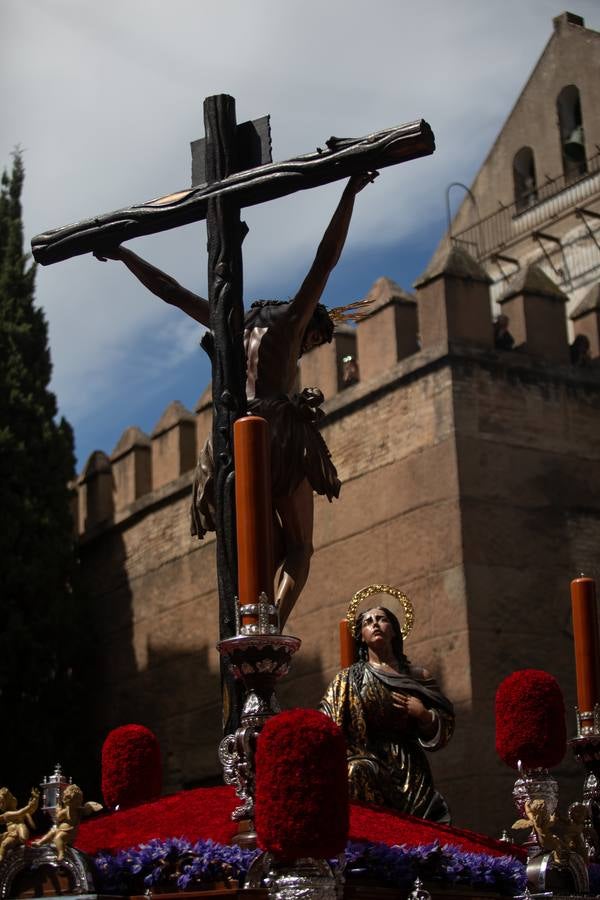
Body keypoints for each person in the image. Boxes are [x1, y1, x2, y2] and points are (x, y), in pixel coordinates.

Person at [95, 173, 376, 628]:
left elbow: (171, 292)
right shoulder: (291, 323)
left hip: (229, 439)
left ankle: (251, 618)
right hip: (277, 433)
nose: (308, 350)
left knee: (261, 545)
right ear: (310, 329)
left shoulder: (232, 321)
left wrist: (125, 254)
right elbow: (324, 263)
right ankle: (270, 628)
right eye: (315, 342)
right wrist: (348, 194)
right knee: (301, 547)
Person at [320, 606, 454, 822]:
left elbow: (445, 720)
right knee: (355, 771)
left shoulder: (416, 675)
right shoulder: (348, 679)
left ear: (393, 630)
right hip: (368, 759)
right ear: (361, 637)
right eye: (367, 622)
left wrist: (424, 715)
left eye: (381, 619)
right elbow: (326, 720)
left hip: (409, 766)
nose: (374, 624)